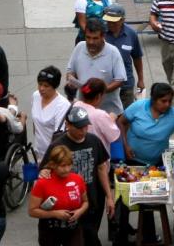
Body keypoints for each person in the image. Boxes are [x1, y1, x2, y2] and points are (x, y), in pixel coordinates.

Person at [40, 107, 112, 246]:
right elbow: (45, 171)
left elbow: (102, 168)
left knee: (91, 237)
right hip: (68, 207)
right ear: (68, 125)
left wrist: (109, 197)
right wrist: (43, 173)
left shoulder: (94, 141)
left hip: (91, 203)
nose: (83, 131)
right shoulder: (57, 146)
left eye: (86, 127)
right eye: (79, 128)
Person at [28, 144, 89, 246]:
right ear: (53, 165)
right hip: (50, 231)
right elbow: (32, 211)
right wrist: (55, 214)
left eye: (69, 165)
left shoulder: (78, 179)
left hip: (73, 229)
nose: (67, 169)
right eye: (63, 166)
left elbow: (86, 202)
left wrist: (79, 211)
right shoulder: (42, 183)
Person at [117, 83, 174, 165]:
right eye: (163, 101)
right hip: (131, 159)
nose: (167, 104)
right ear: (153, 99)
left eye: (170, 101)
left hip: (157, 164)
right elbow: (120, 122)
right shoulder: (139, 106)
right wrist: (125, 145)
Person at [66, 18, 127, 114]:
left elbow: (120, 80)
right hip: (84, 112)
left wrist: (98, 92)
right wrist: (71, 79)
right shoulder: (79, 47)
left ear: (103, 36)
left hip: (109, 112)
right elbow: (70, 71)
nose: (91, 42)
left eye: (95, 38)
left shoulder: (113, 52)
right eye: (88, 37)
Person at [103, 5, 145, 110]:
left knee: (126, 116)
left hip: (126, 85)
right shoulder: (101, 32)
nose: (110, 24)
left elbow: (137, 57)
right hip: (106, 84)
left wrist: (141, 79)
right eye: (108, 21)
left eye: (114, 21)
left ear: (122, 20)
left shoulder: (131, 34)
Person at [72, 79, 122, 158]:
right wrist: (111, 119)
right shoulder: (100, 115)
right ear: (99, 96)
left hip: (77, 155)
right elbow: (115, 137)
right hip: (97, 159)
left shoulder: (76, 105)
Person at [30, 66, 71, 159]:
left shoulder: (62, 106)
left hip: (53, 155)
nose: (41, 88)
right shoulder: (36, 96)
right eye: (39, 84)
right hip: (38, 151)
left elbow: (59, 137)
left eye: (46, 86)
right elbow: (35, 123)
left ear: (54, 87)